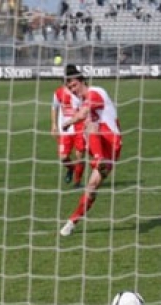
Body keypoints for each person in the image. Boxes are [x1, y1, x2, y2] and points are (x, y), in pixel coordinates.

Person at [59, 64, 121, 237]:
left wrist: (67, 123)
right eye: (69, 88)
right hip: (99, 144)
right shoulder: (81, 100)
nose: (72, 90)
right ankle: (72, 222)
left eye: (74, 86)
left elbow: (83, 113)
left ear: (82, 81)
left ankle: (99, 159)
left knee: (89, 123)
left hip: (112, 143)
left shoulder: (96, 92)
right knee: (91, 187)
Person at [51, 73, 85, 188]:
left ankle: (77, 182)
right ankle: (71, 168)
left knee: (79, 155)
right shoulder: (58, 93)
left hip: (80, 128)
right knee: (63, 157)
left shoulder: (79, 92)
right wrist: (54, 125)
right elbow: (54, 108)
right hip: (65, 130)